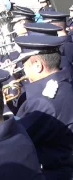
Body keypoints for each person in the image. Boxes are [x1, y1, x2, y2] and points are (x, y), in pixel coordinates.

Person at [12, 35, 73, 180]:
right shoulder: (65, 83)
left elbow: (15, 139)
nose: (23, 70)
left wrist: (1, 107)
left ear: (38, 66)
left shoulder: (43, 102)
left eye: (24, 64)